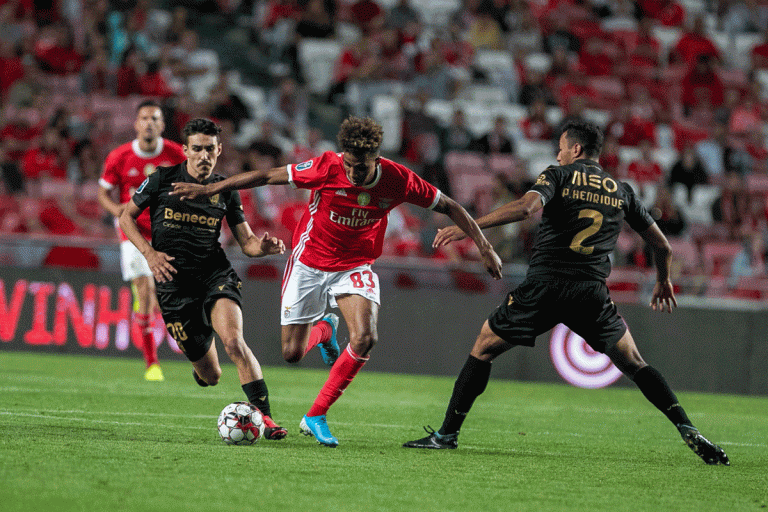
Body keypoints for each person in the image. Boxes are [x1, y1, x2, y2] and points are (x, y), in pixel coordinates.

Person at [402, 119, 730, 466]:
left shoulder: (559, 176)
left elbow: (527, 208)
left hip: (545, 285)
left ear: (575, 149)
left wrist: (470, 226)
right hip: (591, 291)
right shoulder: (622, 189)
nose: (557, 154)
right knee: (634, 362)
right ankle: (686, 426)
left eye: (560, 147)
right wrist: (664, 281)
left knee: (483, 348)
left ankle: (447, 435)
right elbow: (662, 245)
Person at [171, 116, 503, 447]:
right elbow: (266, 175)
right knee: (292, 353)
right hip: (309, 262)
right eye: (350, 164)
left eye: (362, 166)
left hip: (355, 264)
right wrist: (211, 188)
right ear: (343, 154)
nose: (354, 173)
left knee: (365, 337)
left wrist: (485, 247)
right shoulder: (327, 167)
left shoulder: (397, 178)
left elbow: (451, 205)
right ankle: (325, 330)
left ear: (377, 157)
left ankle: (316, 415)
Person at [119, 118, 288, 440]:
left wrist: (262, 248)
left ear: (219, 150)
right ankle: (203, 366)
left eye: (210, 149)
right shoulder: (161, 180)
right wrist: (150, 255)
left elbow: (247, 243)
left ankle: (267, 419)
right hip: (173, 285)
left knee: (234, 342)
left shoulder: (226, 190)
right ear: (185, 150)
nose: (203, 155)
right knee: (211, 376)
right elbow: (125, 216)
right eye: (197, 149)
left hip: (214, 275)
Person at [98, 99, 186, 381]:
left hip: (166, 231)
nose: (149, 123)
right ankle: (152, 363)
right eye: (144, 118)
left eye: (154, 118)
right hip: (133, 232)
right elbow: (103, 192)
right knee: (145, 292)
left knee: (165, 297)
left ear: (162, 125)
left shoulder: (176, 154)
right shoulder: (119, 156)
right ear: (136, 124)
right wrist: (118, 213)